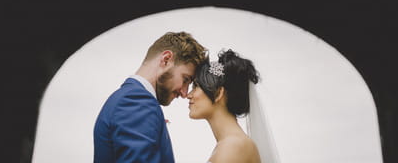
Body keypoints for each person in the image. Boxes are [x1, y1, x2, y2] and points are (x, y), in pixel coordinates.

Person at [93, 31, 207, 163]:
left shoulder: (128, 98)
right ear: (166, 60)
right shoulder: (136, 101)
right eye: (185, 79)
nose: (184, 93)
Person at [187, 49, 280, 163]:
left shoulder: (234, 146)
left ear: (218, 93)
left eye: (196, 86)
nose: (188, 95)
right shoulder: (231, 144)